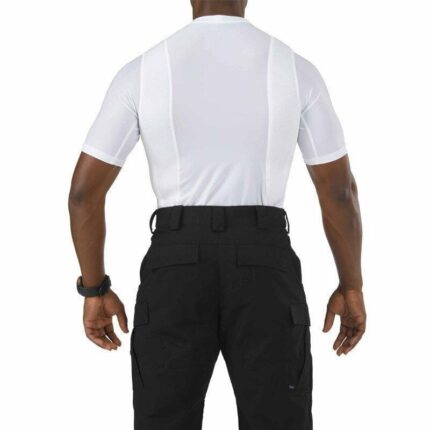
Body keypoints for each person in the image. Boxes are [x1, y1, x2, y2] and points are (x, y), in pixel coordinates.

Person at [68, 1, 366, 429]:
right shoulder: (295, 69)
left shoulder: (142, 71)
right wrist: (351, 285)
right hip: (265, 264)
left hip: (175, 265)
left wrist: (94, 289)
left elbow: (83, 194)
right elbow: (339, 192)